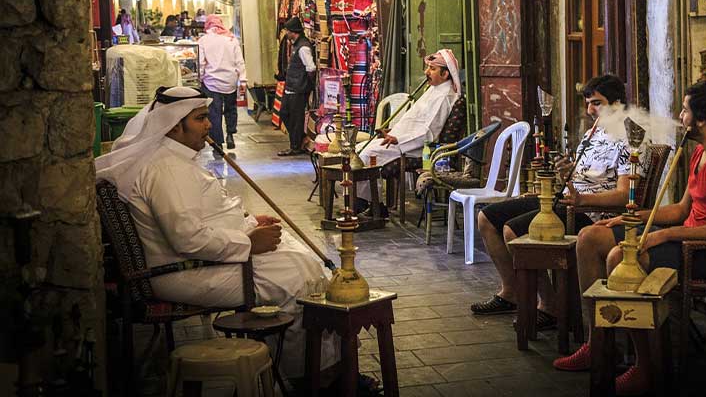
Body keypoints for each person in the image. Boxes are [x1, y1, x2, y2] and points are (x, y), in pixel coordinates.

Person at [93, 86, 338, 377]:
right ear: (173, 126)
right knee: (298, 278)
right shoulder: (165, 168)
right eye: (199, 119)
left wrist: (248, 224)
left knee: (301, 260)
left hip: (205, 261)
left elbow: (200, 217)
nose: (209, 125)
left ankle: (311, 368)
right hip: (184, 273)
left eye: (206, 117)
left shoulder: (174, 160)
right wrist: (247, 243)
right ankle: (311, 377)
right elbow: (187, 238)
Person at [559, 80, 706, 393]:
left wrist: (663, 235)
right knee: (591, 236)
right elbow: (682, 210)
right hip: (688, 240)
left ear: (703, 118)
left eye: (684, 110)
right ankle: (598, 344)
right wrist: (636, 218)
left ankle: (647, 365)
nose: (679, 116)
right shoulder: (701, 154)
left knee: (623, 257)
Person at [469, 74, 641, 331]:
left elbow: (624, 194)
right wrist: (566, 171)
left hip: (590, 213)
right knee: (488, 217)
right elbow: (585, 176)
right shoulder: (595, 131)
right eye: (588, 103)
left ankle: (550, 306)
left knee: (513, 230)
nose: (589, 110)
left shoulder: (628, 136)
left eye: (596, 103)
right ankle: (510, 293)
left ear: (616, 103)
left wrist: (583, 198)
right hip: (570, 200)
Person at [353, 49, 461, 213]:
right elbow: (415, 120)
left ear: (445, 74)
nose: (426, 72)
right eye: (428, 68)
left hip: (415, 147)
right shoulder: (433, 90)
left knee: (368, 155)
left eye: (432, 69)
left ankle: (370, 204)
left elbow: (429, 132)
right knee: (359, 150)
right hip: (401, 140)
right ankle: (370, 202)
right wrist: (393, 131)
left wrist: (398, 139)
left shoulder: (445, 96)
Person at [198, 14, 246, 156]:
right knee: (231, 109)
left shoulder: (203, 41)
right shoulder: (231, 39)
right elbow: (239, 61)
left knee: (214, 113)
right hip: (230, 81)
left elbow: (201, 63)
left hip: (211, 82)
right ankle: (230, 134)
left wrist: (200, 77)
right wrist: (242, 79)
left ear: (207, 25)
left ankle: (217, 143)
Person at [277, 16, 315, 156]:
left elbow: (310, 68)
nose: (286, 33)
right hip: (291, 87)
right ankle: (298, 140)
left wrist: (306, 85)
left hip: (298, 88)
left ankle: (295, 146)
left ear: (294, 31)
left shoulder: (303, 47)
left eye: (287, 30)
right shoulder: (296, 45)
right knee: (285, 114)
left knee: (295, 118)